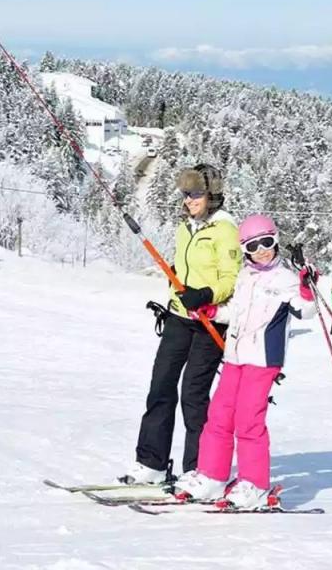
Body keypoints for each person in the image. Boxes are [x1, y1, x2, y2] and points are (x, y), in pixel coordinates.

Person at [173, 215, 317, 509]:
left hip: (263, 359)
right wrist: (211, 312)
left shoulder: (285, 279)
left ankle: (255, 484)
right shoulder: (244, 277)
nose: (262, 250)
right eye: (253, 245)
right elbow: (233, 312)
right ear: (244, 249)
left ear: (276, 240)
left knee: (248, 420)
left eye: (268, 242)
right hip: (235, 356)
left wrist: (306, 287)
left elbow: (306, 311)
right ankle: (212, 476)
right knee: (219, 415)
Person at [122, 164, 241, 486]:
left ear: (211, 195)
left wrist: (204, 294)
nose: (190, 200)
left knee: (193, 394)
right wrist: (179, 279)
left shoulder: (225, 229)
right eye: (186, 194)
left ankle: (199, 468)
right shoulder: (184, 227)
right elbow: (186, 268)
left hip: (209, 321)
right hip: (179, 316)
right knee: (160, 385)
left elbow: (231, 279)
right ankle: (151, 462)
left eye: (197, 194)